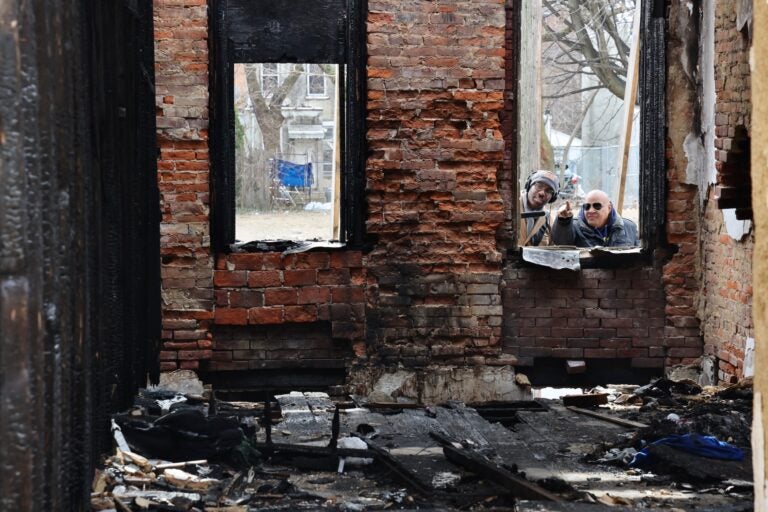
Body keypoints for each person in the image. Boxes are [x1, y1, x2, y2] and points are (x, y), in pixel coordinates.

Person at [551, 189, 639, 247]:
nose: (591, 210)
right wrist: (563, 221)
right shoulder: (573, 227)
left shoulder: (629, 227)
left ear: (609, 207)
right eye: (587, 206)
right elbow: (561, 242)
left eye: (597, 206)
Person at [519, 170, 560, 246]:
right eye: (539, 186)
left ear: (552, 198)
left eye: (548, 191)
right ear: (529, 186)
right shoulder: (511, 207)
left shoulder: (549, 222)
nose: (542, 193)